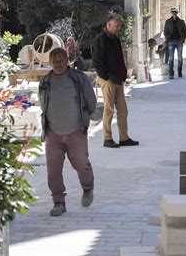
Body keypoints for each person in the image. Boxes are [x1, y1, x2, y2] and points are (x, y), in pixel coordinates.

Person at [38, 48, 97, 216]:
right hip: (53, 133)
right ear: (50, 62)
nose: (58, 63)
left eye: (61, 59)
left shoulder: (79, 79)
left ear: (67, 60)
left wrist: (86, 120)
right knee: (53, 170)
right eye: (54, 60)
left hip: (76, 130)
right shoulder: (45, 81)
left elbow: (91, 102)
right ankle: (58, 202)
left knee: (81, 164)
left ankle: (88, 187)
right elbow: (43, 105)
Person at [92, 14, 139, 148]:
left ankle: (124, 138)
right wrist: (105, 77)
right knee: (109, 109)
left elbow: (119, 58)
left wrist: (123, 74)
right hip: (108, 80)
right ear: (108, 25)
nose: (118, 28)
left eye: (119, 26)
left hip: (118, 79)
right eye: (116, 26)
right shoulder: (100, 39)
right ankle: (107, 138)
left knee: (123, 110)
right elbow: (97, 61)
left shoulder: (114, 38)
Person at [164, 7, 186, 79]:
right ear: (171, 13)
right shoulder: (168, 21)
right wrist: (168, 38)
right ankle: (171, 73)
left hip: (179, 41)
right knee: (171, 58)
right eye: (173, 12)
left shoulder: (181, 21)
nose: (174, 13)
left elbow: (185, 31)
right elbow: (165, 31)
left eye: (175, 12)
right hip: (171, 41)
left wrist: (182, 39)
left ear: (177, 13)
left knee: (180, 58)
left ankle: (179, 71)